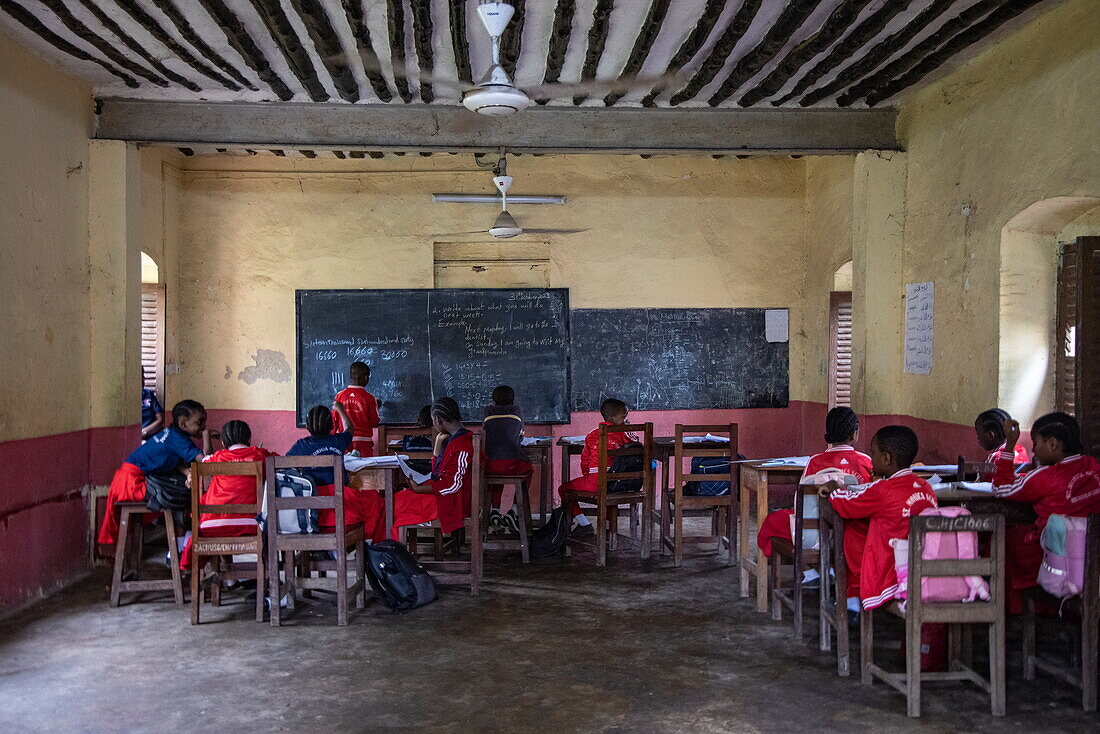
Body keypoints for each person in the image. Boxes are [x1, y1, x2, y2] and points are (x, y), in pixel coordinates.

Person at [822, 425, 938, 614]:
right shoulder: (926, 488)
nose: (871, 458)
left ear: (886, 458)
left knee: (851, 526)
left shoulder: (884, 490)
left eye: (873, 453)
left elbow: (847, 505)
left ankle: (853, 596)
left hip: (891, 575)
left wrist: (834, 488)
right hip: (923, 567)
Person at [992, 412, 1100, 610]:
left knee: (1003, 543)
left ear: (1052, 444)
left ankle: (1013, 613)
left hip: (1057, 561)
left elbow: (1000, 488)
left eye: (1035, 443)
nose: (1033, 450)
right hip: (1093, 563)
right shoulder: (1095, 467)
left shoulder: (1045, 477)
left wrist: (1009, 446)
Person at [757, 407, 874, 582]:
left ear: (828, 433)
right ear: (855, 434)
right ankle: (833, 569)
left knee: (774, 520)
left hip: (816, 533)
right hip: (854, 530)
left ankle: (810, 570)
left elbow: (803, 499)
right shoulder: (866, 461)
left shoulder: (815, 461)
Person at [97, 399, 216, 551]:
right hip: (132, 484)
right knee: (186, 496)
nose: (203, 427)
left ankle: (180, 547)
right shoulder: (178, 439)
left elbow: (170, 460)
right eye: (200, 423)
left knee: (186, 491)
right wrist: (206, 436)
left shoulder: (172, 434)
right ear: (183, 424)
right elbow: (208, 461)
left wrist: (186, 471)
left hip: (134, 479)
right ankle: (181, 548)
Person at [180, 420, 276, 570]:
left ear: (224, 443)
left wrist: (206, 437)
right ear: (249, 439)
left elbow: (204, 461)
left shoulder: (217, 458)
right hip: (253, 524)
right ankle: (267, 578)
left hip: (214, 526)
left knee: (217, 509)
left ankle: (227, 578)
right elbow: (278, 462)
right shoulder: (259, 454)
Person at [288, 402, 386, 542]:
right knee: (375, 499)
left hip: (313, 506)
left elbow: (283, 465)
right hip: (342, 503)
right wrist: (340, 410)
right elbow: (349, 428)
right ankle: (369, 542)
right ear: (331, 426)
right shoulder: (337, 441)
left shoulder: (301, 445)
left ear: (308, 427)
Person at [392, 398, 475, 540]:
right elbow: (438, 474)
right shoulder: (454, 440)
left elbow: (452, 485)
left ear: (438, 420)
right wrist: (436, 449)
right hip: (446, 497)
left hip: (452, 503)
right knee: (395, 499)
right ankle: (391, 550)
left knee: (392, 506)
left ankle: (393, 553)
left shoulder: (462, 445)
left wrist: (420, 489)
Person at [556, 398, 637, 537]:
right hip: (621, 483)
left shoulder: (593, 435)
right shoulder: (625, 434)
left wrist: (588, 477)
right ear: (611, 418)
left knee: (563, 489)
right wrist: (628, 431)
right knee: (608, 491)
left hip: (596, 482)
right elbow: (636, 446)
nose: (625, 420)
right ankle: (609, 529)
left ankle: (584, 524)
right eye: (624, 417)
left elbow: (585, 462)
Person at [483, 385, 533, 534]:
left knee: (496, 476)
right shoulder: (516, 411)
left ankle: (495, 510)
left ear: (493, 401)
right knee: (529, 470)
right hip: (513, 464)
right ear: (513, 401)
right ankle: (514, 510)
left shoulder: (487, 412)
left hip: (489, 464)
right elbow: (521, 435)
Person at [332, 361, 381, 456]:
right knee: (365, 469)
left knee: (344, 469)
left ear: (350, 376)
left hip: (344, 441)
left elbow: (334, 420)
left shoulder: (340, 395)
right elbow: (374, 422)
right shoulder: (370, 398)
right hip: (364, 442)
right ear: (366, 377)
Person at [973, 408, 1029, 476]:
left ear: (990, 436)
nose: (978, 438)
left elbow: (986, 483)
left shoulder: (995, 457)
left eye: (978, 434)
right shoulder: (1021, 450)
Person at [140, 370, 164, 441]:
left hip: (151, 436)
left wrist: (144, 432)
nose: (143, 379)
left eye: (143, 376)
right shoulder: (125, 399)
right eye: (141, 377)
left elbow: (160, 420)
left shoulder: (149, 393)